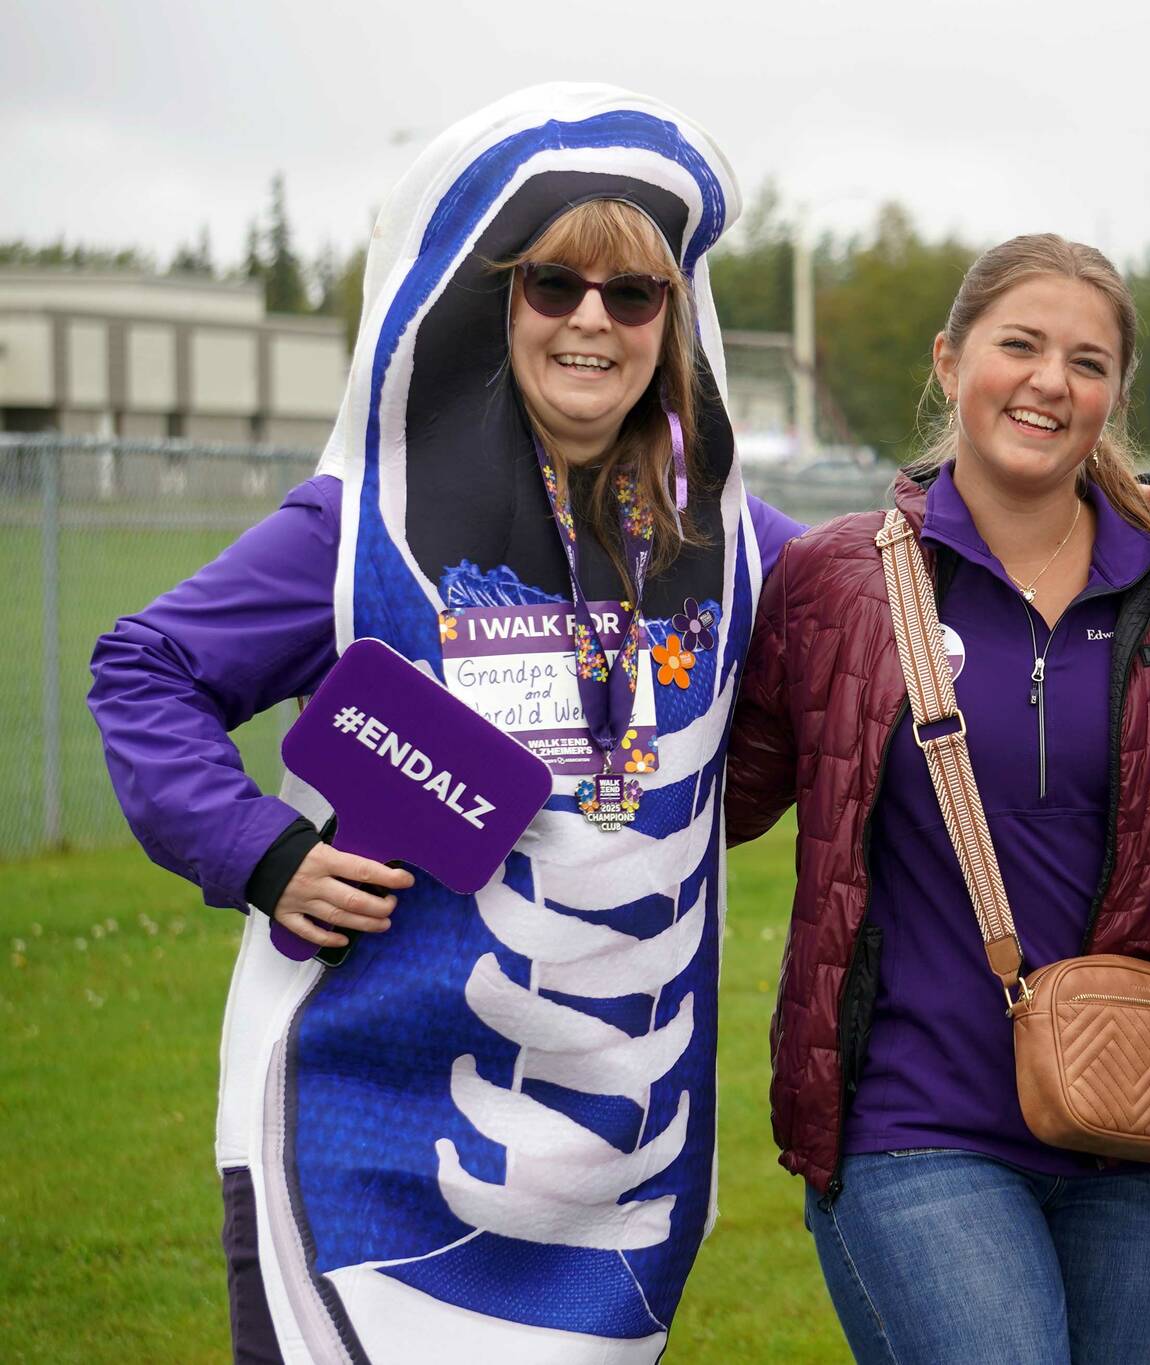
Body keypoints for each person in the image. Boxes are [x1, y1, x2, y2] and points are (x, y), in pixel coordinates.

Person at [85, 84, 806, 1362]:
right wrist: (261, 852)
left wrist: (1132, 515)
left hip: (614, 1176)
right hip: (356, 1141)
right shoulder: (359, 526)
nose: (592, 318)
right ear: (497, 303)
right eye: (554, 285)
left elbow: (915, 596)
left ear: (669, 325)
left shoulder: (733, 548)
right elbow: (147, 667)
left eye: (632, 294)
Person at [725, 233, 1150, 1365]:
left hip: (1138, 1129)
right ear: (950, 360)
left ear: (1112, 394)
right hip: (914, 1125)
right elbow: (711, 802)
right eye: (1019, 345)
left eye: (1086, 361)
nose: (1050, 382)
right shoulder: (834, 584)